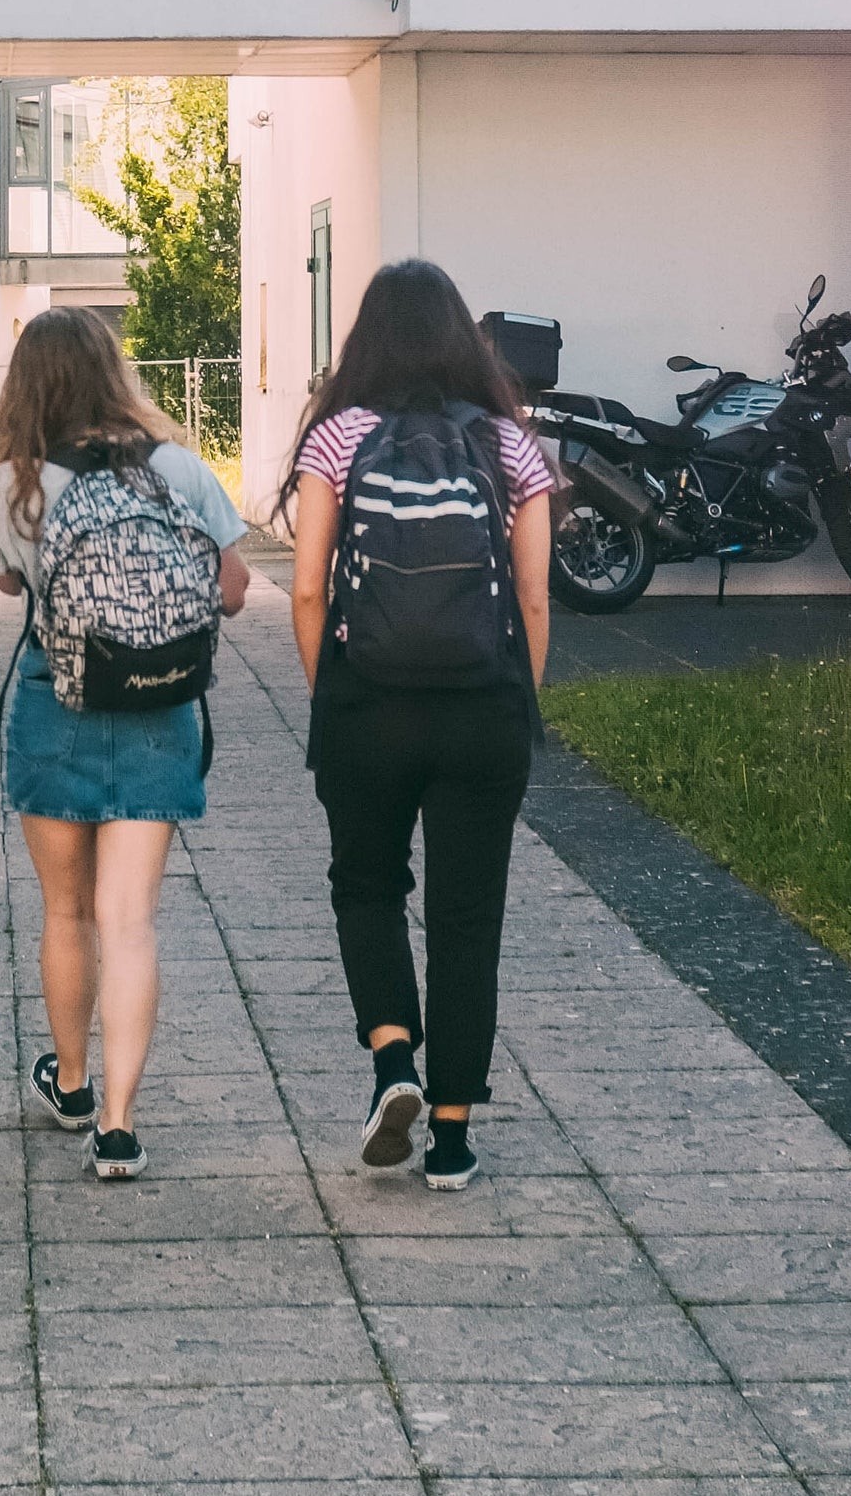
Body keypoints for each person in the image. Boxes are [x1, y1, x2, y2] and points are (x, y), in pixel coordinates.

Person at [285, 257, 552, 1192]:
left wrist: (333, 696)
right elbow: (530, 598)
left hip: (368, 702)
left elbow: (308, 587)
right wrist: (519, 706)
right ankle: (449, 1138)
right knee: (468, 917)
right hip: (481, 708)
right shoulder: (510, 445)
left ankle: (393, 1059)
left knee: (364, 885)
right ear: (461, 340)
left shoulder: (338, 436)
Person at [0, 307, 251, 1180]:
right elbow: (235, 589)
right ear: (112, 370)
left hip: (52, 702)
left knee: (65, 911)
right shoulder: (174, 467)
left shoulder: (11, 482)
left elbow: (6, 579)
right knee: (128, 919)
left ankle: (72, 1084)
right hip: (159, 707)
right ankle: (121, 1127)